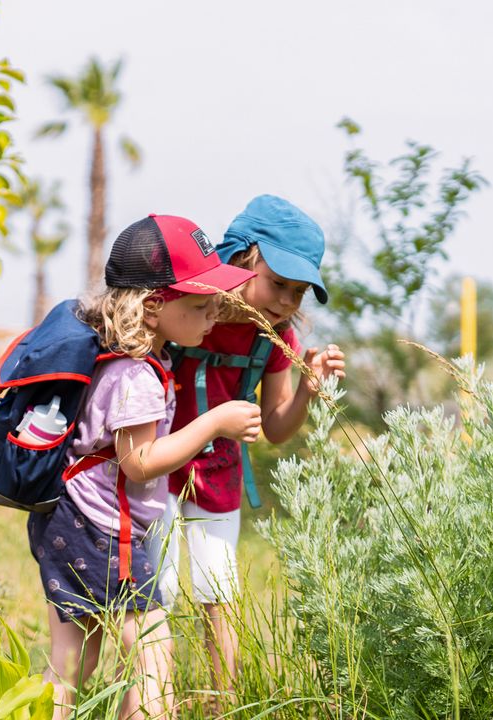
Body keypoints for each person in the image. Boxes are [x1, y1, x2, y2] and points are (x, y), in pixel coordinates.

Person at [28, 214, 262, 720]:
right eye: (201, 307)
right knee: (152, 650)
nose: (212, 317)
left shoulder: (120, 360)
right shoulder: (138, 376)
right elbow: (139, 463)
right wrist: (215, 422)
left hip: (70, 520)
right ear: (154, 307)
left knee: (74, 659)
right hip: (106, 531)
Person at [153, 195, 347, 694]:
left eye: (299, 292)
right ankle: (156, 701)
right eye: (279, 283)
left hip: (217, 475)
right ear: (245, 256)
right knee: (156, 594)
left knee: (219, 593)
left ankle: (222, 703)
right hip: (155, 464)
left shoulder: (274, 338)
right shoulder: (190, 308)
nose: (286, 301)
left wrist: (307, 388)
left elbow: (278, 427)